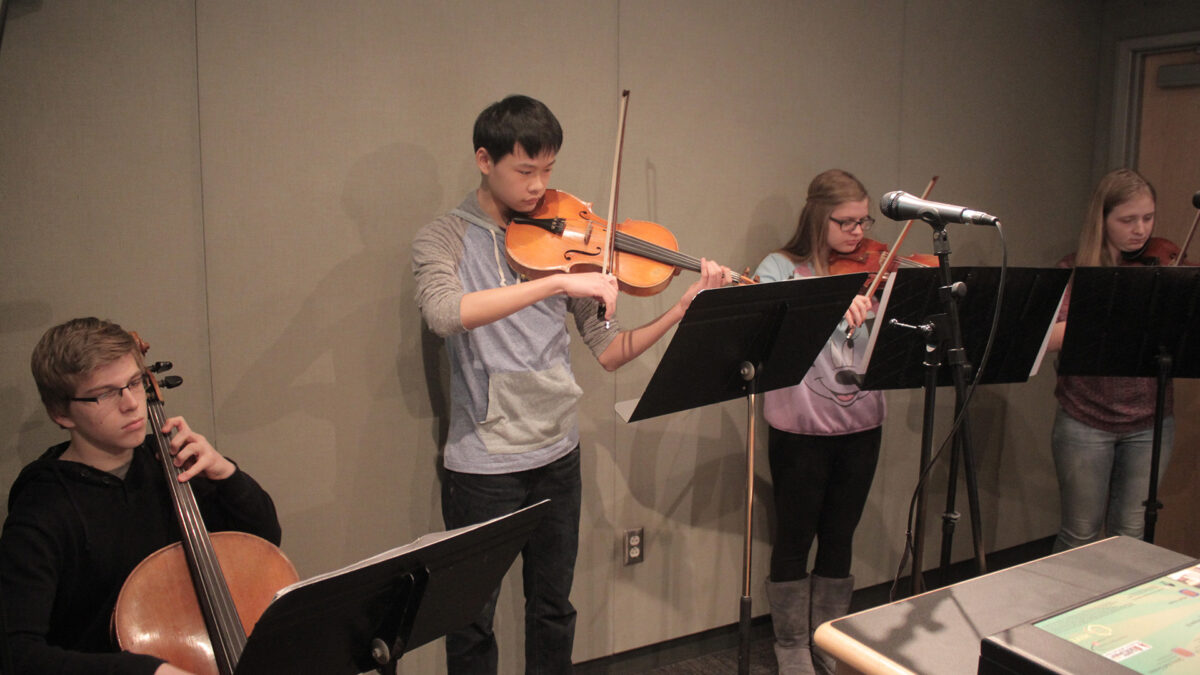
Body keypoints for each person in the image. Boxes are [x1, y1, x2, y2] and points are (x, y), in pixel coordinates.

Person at [412, 94, 731, 674]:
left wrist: (680, 309)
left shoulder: (569, 238)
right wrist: (556, 283)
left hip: (559, 454)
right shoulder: (444, 239)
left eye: (548, 170)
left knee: (555, 608)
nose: (539, 186)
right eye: (524, 171)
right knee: (470, 621)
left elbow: (611, 351)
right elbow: (444, 313)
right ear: (485, 160)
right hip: (484, 463)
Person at [0, 317, 283, 675]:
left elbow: (262, 544)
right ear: (61, 413)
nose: (132, 403)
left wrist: (226, 474)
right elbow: (19, 655)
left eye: (134, 382)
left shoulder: (169, 459)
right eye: (104, 393)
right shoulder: (42, 512)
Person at [753, 169, 884, 675]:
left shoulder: (873, 268)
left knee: (840, 535)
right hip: (799, 428)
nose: (858, 232)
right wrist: (829, 301)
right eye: (845, 222)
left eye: (863, 221)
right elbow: (768, 332)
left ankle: (827, 640)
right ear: (816, 217)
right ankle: (789, 645)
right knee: (794, 535)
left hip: (863, 423)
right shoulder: (778, 268)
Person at [1046, 168, 1180, 551]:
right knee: (1080, 535)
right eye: (1128, 220)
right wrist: (1112, 309)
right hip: (1085, 419)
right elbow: (1049, 337)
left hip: (1152, 422)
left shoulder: (1164, 266)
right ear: (1102, 220)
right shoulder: (1074, 271)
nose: (1141, 230)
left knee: (1131, 533)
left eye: (1148, 218)